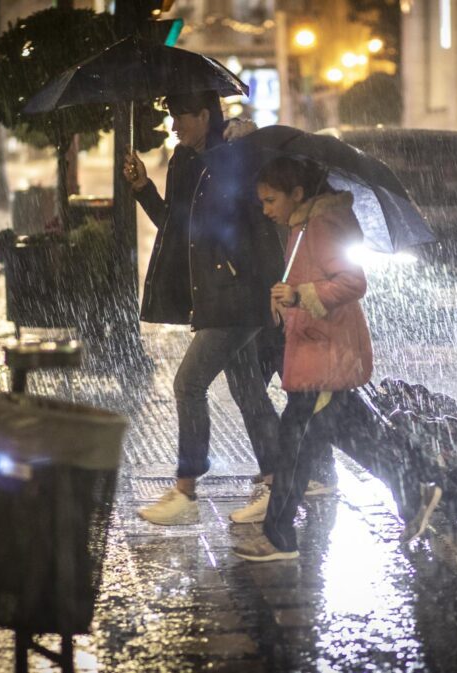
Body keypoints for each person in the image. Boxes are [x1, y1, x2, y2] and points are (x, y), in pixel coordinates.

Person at [122, 92, 285, 525]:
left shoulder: (234, 158)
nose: (174, 126)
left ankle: (186, 490)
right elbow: (177, 229)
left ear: (204, 115)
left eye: (181, 116)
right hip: (211, 294)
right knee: (248, 390)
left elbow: (261, 225)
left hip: (237, 295)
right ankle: (276, 483)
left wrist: (268, 285)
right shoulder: (183, 160)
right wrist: (142, 188)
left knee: (188, 383)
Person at [232, 157, 380, 562]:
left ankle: (278, 536)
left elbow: (353, 281)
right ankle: (421, 488)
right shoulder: (300, 228)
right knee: (357, 439)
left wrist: (300, 296)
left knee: (292, 445)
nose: (265, 209)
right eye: (260, 201)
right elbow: (307, 281)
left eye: (270, 199)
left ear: (297, 194)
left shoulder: (321, 225)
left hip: (325, 354)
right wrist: (286, 296)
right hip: (317, 350)